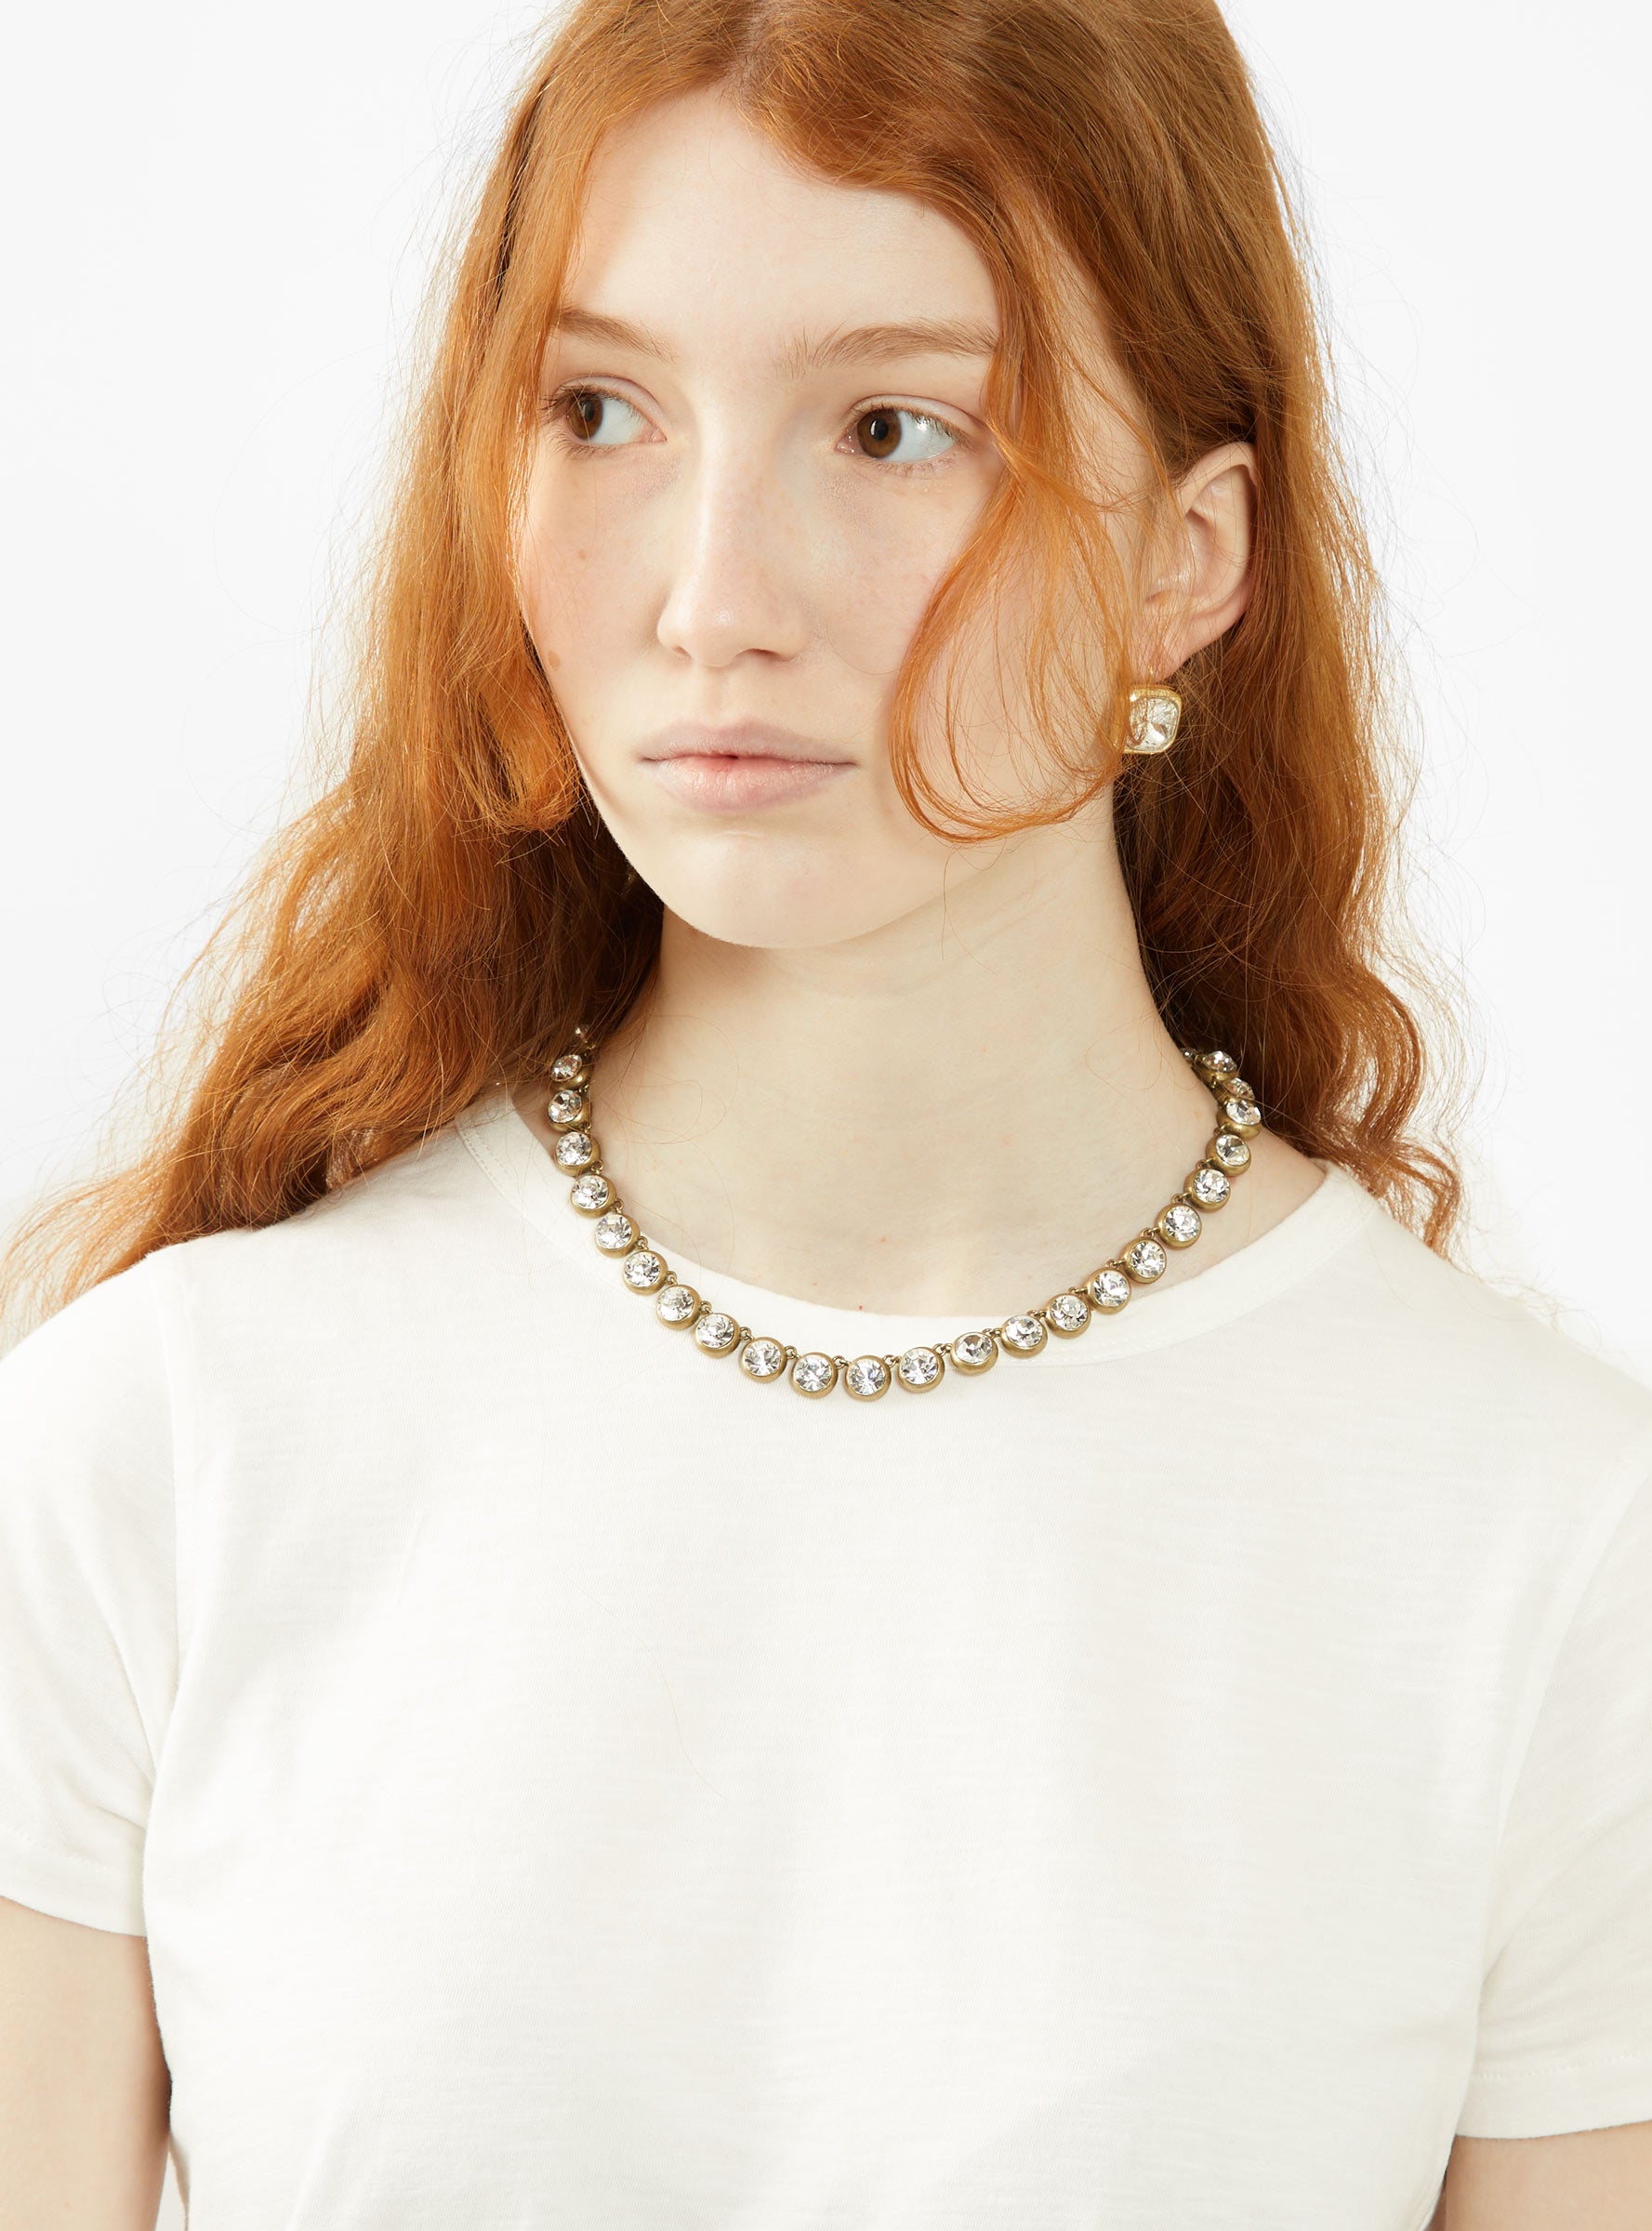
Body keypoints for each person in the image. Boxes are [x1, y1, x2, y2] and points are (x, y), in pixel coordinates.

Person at [2, 1, 1648, 2224]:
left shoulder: (1549, 1546)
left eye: (891, 430)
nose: (710, 603)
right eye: (599, 413)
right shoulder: (156, 1448)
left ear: (1192, 551)